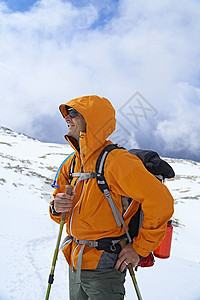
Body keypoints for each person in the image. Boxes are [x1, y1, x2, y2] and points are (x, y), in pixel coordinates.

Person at [50, 95, 174, 300]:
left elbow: (161, 202)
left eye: (73, 113)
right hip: (74, 263)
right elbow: (60, 214)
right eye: (66, 113)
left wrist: (139, 249)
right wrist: (56, 207)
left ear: (92, 119)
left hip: (105, 266)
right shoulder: (71, 164)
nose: (67, 118)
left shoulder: (117, 161)